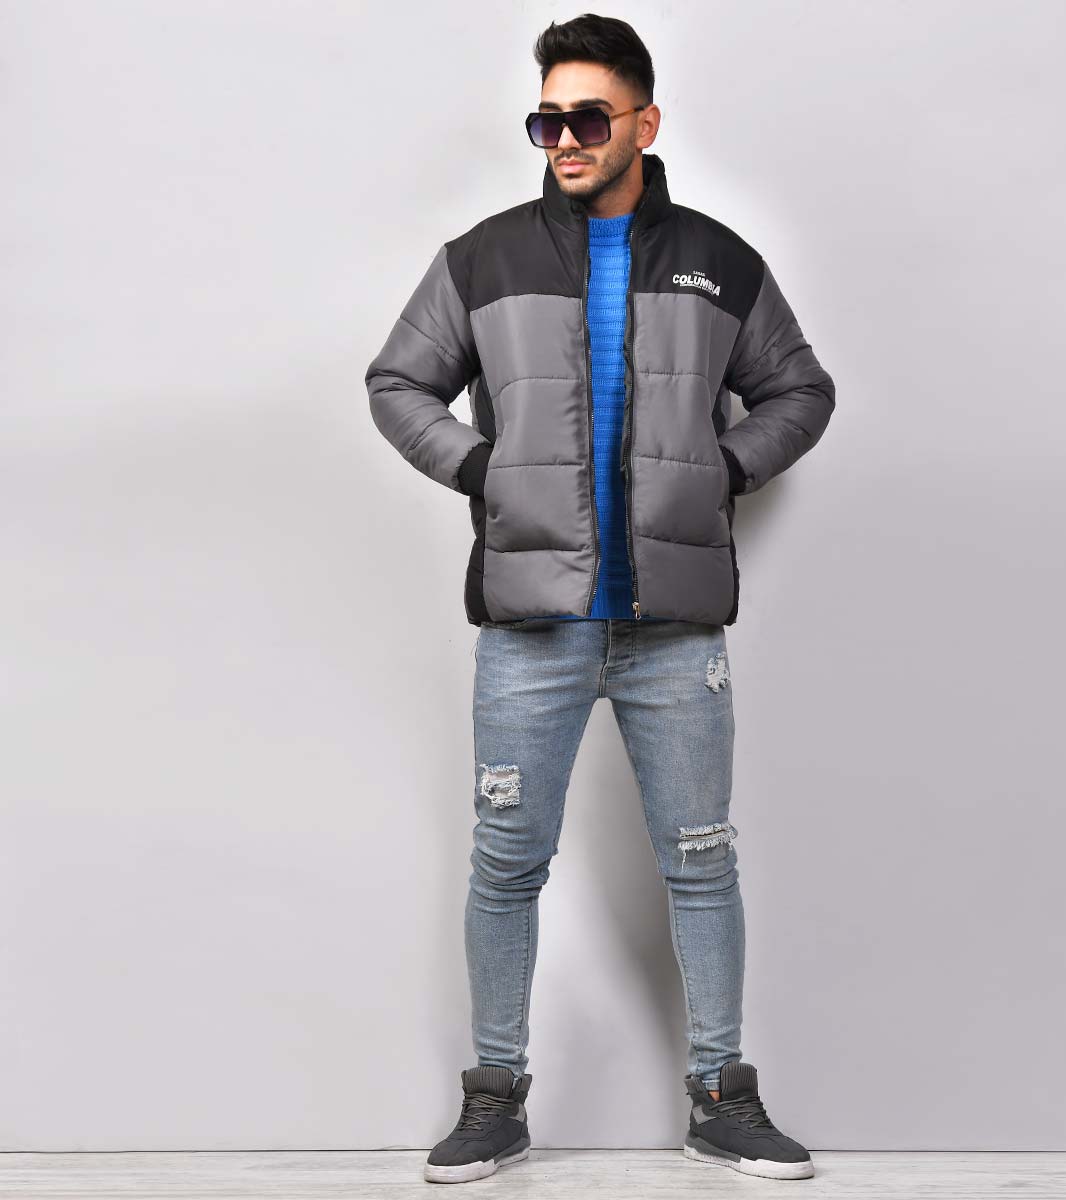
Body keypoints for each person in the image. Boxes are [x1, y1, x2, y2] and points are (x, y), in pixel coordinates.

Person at [365, 13, 835, 1185]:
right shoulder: (484, 258)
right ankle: (494, 1097)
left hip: (674, 627)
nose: (565, 138)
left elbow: (799, 390)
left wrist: (724, 469)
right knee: (505, 862)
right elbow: (399, 381)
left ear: (644, 123)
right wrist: (483, 468)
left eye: (587, 117)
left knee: (702, 860)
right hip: (532, 623)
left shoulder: (721, 261)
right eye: (547, 120)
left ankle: (721, 1096)